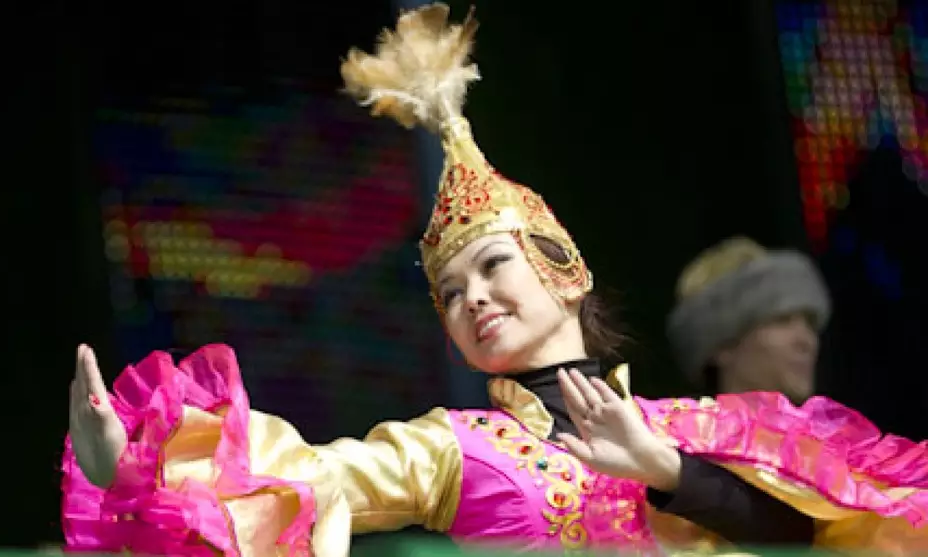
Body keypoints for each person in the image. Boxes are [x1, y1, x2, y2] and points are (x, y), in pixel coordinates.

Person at [63, 5, 928, 556]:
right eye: (448, 292)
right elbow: (307, 477)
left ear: (565, 269)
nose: (470, 297)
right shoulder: (453, 447)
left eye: (491, 265)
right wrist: (136, 468)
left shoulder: (693, 427)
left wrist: (665, 468)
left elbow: (832, 532)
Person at [667, 237, 827, 402]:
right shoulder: (672, 419)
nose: (806, 341)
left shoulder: (834, 418)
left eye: (810, 324)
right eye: (782, 321)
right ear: (723, 345)